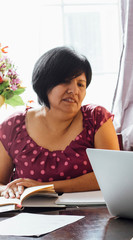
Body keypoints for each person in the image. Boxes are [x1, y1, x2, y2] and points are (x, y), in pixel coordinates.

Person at [0, 46, 120, 199]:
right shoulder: (14, 126)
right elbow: (0, 183)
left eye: (80, 84)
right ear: (44, 84)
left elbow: (111, 176)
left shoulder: (96, 118)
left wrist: (45, 187)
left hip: (92, 217)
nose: (74, 90)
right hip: (31, 217)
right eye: (65, 82)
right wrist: (7, 190)